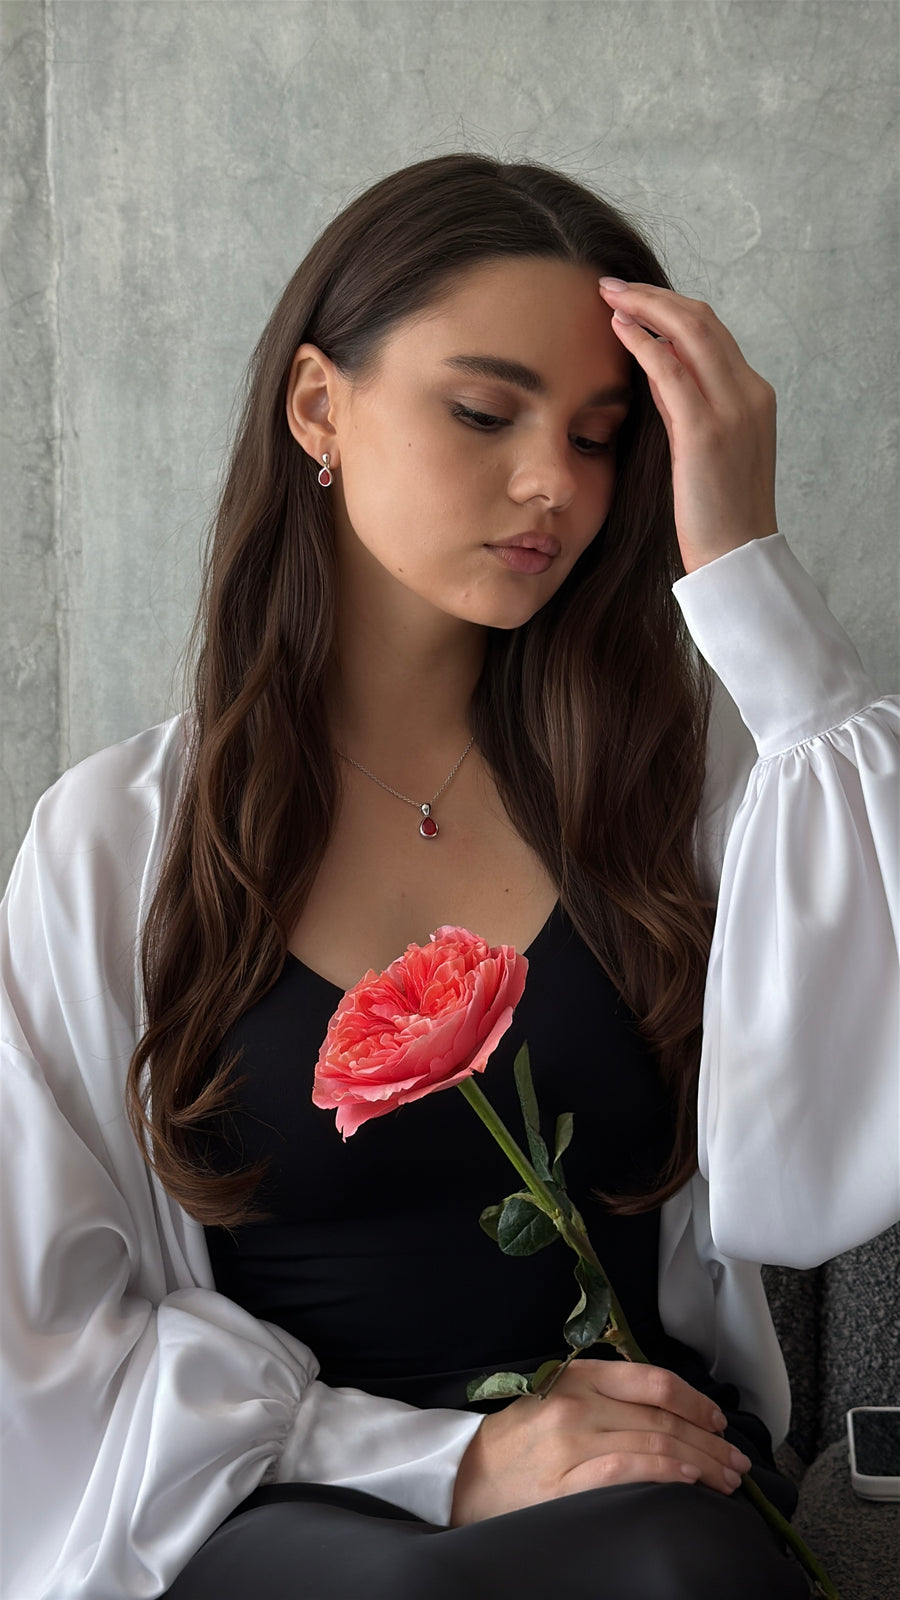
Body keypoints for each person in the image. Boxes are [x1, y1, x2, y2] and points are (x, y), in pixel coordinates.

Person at [1, 152, 897, 1600]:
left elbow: (827, 1173)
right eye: (483, 412)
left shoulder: (687, 805)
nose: (553, 482)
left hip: (647, 1506)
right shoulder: (116, 844)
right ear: (318, 408)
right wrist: (452, 1463)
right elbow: (43, 1351)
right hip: (283, 1506)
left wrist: (747, 573)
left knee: (662, 1565)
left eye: (605, 437)